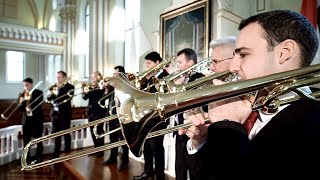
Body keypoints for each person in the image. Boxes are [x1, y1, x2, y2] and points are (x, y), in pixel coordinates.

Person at [180, 10, 320, 180]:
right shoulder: (252, 103)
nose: (233, 67)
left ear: (284, 52)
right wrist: (201, 141)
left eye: (244, 54)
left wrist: (228, 125)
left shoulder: (313, 122)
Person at [133, 52, 169, 180]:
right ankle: (148, 172)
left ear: (157, 63)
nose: (146, 66)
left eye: (149, 63)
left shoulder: (166, 76)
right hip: (146, 117)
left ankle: (159, 176)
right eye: (146, 63)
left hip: (158, 119)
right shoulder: (147, 79)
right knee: (146, 146)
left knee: (157, 148)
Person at [172, 48, 204, 180]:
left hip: (193, 129)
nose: (177, 66)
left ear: (190, 63)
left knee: (194, 168)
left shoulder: (200, 79)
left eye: (180, 62)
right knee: (179, 166)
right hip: (179, 128)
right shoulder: (180, 80)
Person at [103, 65, 129, 171]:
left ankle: (125, 160)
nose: (113, 76)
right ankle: (112, 157)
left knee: (123, 141)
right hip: (111, 116)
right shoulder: (112, 85)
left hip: (121, 117)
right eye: (113, 74)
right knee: (112, 139)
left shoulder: (125, 85)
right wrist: (107, 87)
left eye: (116, 74)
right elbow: (107, 98)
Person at [47, 71, 75, 158]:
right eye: (57, 77)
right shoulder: (53, 87)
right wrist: (51, 93)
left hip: (65, 113)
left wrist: (58, 90)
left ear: (64, 78)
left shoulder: (70, 87)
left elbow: (66, 98)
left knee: (66, 133)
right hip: (55, 114)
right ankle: (56, 152)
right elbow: (48, 98)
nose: (57, 79)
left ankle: (67, 152)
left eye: (59, 77)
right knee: (56, 134)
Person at [19, 77, 44, 163]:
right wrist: (21, 102)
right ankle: (26, 157)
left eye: (27, 85)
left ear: (31, 84)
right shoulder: (21, 94)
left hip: (37, 119)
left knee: (38, 139)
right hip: (26, 120)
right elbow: (21, 109)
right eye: (24, 85)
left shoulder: (38, 92)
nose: (25, 87)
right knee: (26, 139)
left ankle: (39, 156)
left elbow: (39, 103)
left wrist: (29, 99)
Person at [82, 71, 106, 157]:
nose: (92, 79)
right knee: (92, 131)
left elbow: (102, 96)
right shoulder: (91, 87)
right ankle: (96, 148)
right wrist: (84, 91)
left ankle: (101, 150)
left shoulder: (102, 86)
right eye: (92, 77)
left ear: (99, 77)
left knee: (99, 131)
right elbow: (85, 98)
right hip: (91, 112)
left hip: (99, 112)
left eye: (94, 77)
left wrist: (98, 86)